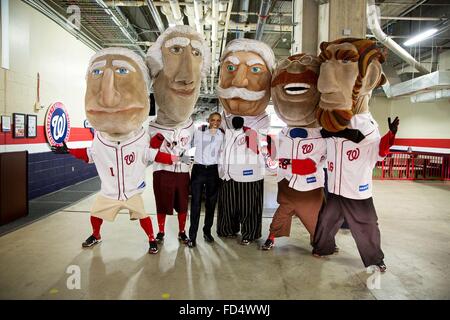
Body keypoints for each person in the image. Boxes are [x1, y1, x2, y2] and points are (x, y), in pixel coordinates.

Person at [52, 47, 160, 254]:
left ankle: (151, 239)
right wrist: (68, 151)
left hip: (131, 190)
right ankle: (96, 235)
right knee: (95, 213)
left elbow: (153, 154)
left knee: (143, 216)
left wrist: (174, 157)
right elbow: (88, 155)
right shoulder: (100, 140)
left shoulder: (139, 138)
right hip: (109, 191)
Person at [313, 38, 400, 272]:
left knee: (366, 225)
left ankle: (375, 259)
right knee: (326, 221)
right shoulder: (330, 120)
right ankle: (322, 248)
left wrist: (390, 137)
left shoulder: (366, 124)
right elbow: (323, 147)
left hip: (357, 190)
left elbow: (377, 152)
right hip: (336, 187)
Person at [146, 25, 211, 244]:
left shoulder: (191, 125)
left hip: (183, 172)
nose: (186, 76)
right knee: (162, 205)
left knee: (183, 204)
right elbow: (149, 155)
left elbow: (198, 146)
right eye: (175, 50)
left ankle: (182, 231)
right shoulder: (153, 128)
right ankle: (162, 231)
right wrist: (173, 156)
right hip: (163, 172)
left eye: (195, 53)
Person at [260, 53, 327, 251]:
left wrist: (284, 163)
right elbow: (275, 157)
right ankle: (271, 238)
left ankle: (320, 242)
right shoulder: (282, 133)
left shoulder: (322, 135)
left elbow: (309, 166)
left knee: (314, 219)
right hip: (287, 184)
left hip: (311, 188)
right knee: (281, 215)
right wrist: (266, 147)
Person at [216, 38, 275, 245]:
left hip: (251, 174)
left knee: (250, 205)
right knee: (228, 204)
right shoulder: (220, 121)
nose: (239, 81)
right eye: (230, 67)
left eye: (256, 70)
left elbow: (266, 150)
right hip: (226, 174)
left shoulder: (261, 124)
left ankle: (250, 234)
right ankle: (227, 229)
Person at [187, 112, 224, 248]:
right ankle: (192, 237)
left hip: (213, 171)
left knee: (211, 203)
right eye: (213, 119)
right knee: (195, 204)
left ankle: (207, 232)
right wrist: (184, 161)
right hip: (198, 170)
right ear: (208, 120)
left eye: (218, 120)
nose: (215, 122)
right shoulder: (198, 132)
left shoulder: (222, 135)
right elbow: (187, 147)